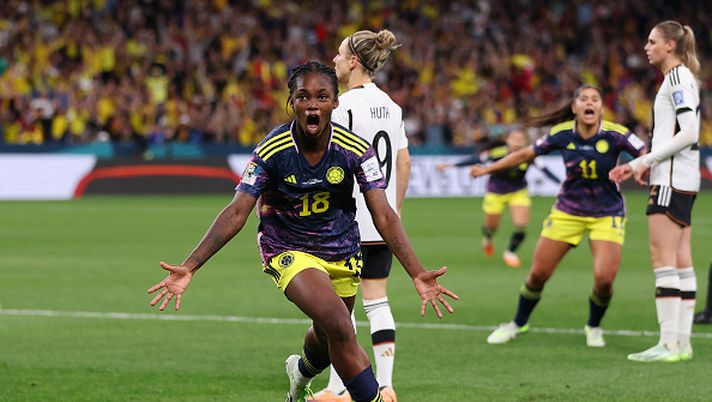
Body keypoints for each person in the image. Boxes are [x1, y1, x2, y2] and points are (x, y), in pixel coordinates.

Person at [146, 61, 458, 402]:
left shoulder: (355, 149)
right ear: (291, 102)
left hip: (341, 252)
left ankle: (300, 374)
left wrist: (416, 272)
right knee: (342, 324)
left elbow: (383, 214)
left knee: (327, 339)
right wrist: (190, 266)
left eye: (322, 97)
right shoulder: (273, 149)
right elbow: (237, 211)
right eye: (304, 96)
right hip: (287, 249)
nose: (312, 104)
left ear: (335, 103)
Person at [471, 85, 645, 347]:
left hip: (607, 213)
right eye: (583, 99)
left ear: (600, 107)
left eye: (595, 99)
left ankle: (594, 327)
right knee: (538, 274)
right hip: (567, 212)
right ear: (574, 107)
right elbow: (523, 154)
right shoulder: (561, 134)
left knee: (604, 280)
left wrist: (636, 166)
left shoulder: (616, 134)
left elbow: (646, 151)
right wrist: (487, 170)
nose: (590, 103)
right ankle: (518, 323)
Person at [311, 30, 409, 402]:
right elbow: (403, 161)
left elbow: (335, 158)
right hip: (381, 219)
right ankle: (385, 385)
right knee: (378, 300)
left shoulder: (345, 105)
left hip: (347, 219)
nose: (334, 60)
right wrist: (394, 213)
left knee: (339, 307)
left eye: (338, 54)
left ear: (353, 61)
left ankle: (338, 389)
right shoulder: (392, 106)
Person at [610, 20, 701, 362]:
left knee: (662, 259)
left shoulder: (677, 79)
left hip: (672, 180)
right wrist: (649, 162)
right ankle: (682, 344)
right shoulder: (680, 79)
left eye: (651, 42)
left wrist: (640, 162)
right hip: (684, 179)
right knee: (681, 260)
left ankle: (667, 343)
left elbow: (690, 132)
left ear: (670, 46)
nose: (646, 48)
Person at [436, 129, 561, 268]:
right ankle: (488, 237)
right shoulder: (497, 153)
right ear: (508, 140)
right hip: (495, 192)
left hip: (518, 191)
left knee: (521, 224)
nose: (517, 143)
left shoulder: (530, 154)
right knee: (491, 226)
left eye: (520, 140)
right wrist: (450, 166)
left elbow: (546, 171)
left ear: (525, 142)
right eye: (514, 139)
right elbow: (476, 159)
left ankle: (510, 252)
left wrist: (562, 184)